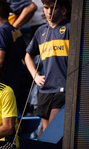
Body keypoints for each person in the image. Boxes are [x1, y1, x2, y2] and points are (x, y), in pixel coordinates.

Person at [25, 0, 70, 131]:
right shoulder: (40, 31)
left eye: (53, 8)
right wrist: (35, 75)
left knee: (52, 131)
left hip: (63, 88)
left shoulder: (70, 28)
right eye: (46, 7)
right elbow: (28, 56)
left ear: (63, 10)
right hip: (45, 89)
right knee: (46, 133)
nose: (49, 11)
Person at [0, 0, 32, 113]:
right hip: (16, 84)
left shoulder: (0, 32)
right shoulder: (16, 30)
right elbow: (24, 57)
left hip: (4, 87)